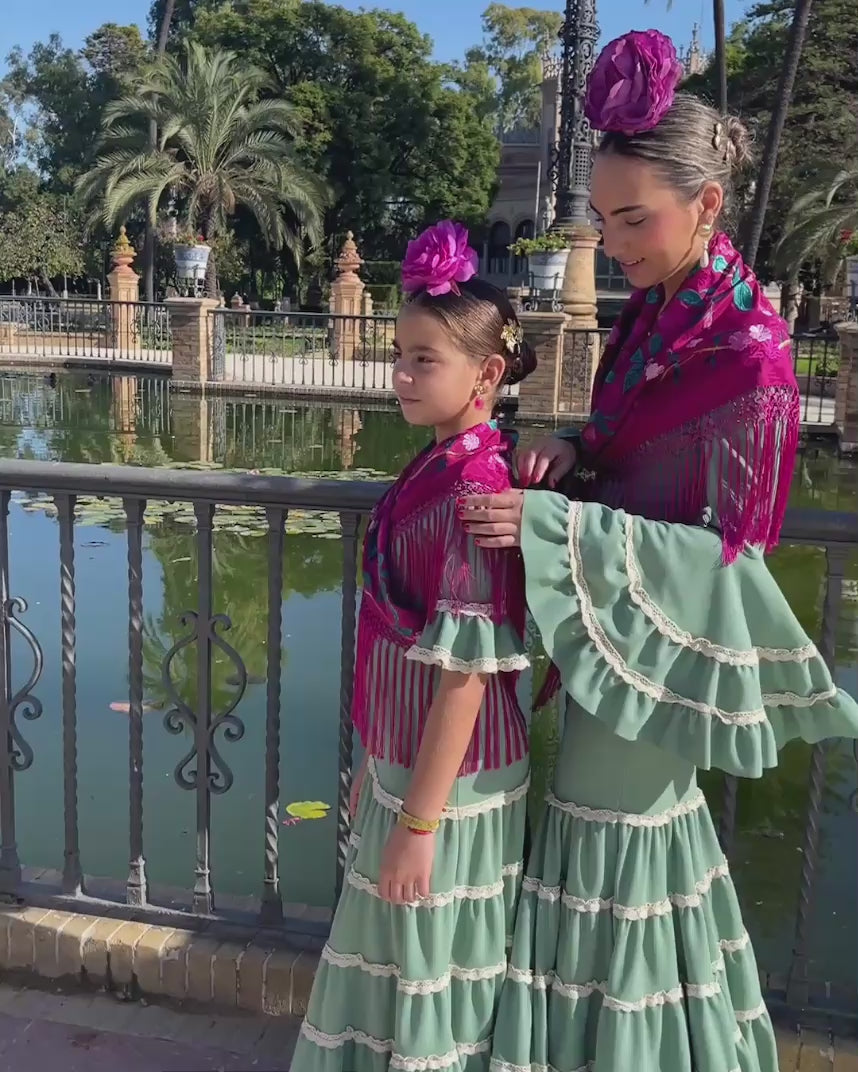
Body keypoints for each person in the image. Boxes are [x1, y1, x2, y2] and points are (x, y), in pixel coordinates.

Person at [459, 30, 858, 1072]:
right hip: (606, 618)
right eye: (605, 218)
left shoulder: (751, 351)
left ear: (708, 206)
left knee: (611, 828)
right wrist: (571, 445)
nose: (617, 240)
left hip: (664, 636)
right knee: (610, 834)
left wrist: (557, 523)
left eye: (636, 219)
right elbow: (626, 445)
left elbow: (733, 556)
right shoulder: (655, 317)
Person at [291, 221, 538, 1071]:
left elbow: (466, 674)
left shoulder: (476, 484)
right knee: (400, 970)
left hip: (454, 785)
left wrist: (420, 823)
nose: (400, 372)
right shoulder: (436, 464)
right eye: (399, 352)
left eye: (423, 358)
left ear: (488, 373)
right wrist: (378, 759)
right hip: (410, 763)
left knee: (436, 978)